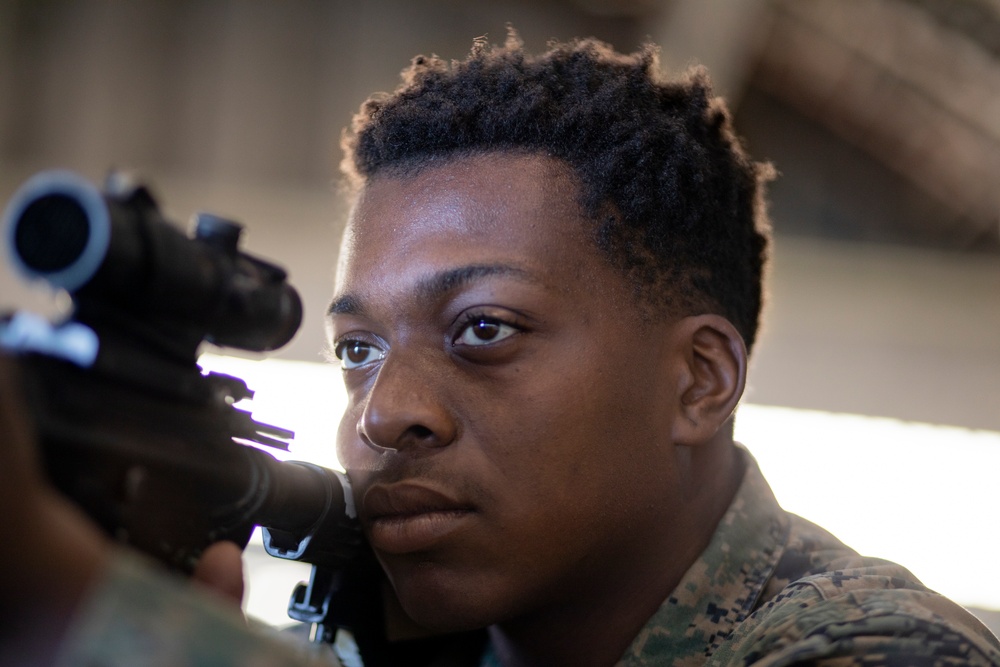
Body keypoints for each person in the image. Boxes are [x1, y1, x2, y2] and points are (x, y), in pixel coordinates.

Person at [2, 32, 999, 667]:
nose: (384, 412)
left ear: (699, 381)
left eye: (484, 330)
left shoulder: (879, 645)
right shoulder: (402, 634)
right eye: (355, 349)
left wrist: (72, 603)